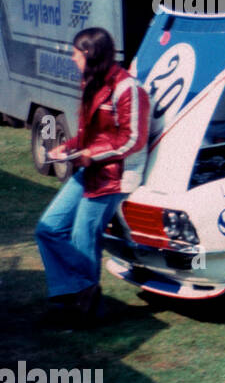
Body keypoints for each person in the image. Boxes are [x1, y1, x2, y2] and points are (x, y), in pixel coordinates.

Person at [36, 27, 150, 321]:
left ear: (90, 54)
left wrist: (91, 155)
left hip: (116, 174)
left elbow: (133, 139)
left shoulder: (129, 89)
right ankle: (78, 292)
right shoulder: (92, 82)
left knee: (83, 234)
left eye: (76, 53)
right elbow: (90, 134)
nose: (73, 58)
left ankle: (81, 306)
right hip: (92, 168)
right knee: (48, 228)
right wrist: (68, 148)